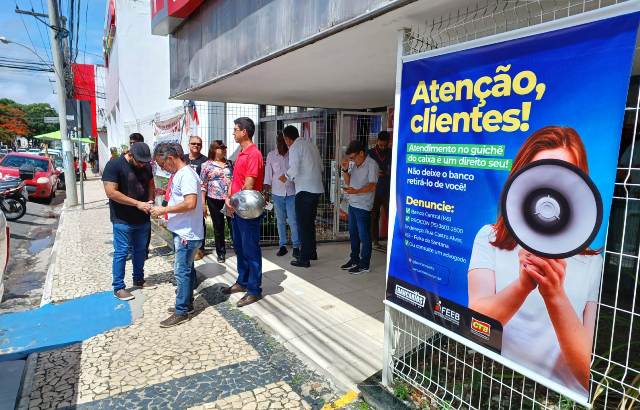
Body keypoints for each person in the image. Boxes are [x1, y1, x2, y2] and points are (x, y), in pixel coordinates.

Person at [468, 126, 602, 395]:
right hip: (496, 383)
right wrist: (522, 286)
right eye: (541, 173)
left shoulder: (593, 262)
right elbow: (476, 324)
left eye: (564, 175)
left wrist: (555, 296)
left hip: (560, 396)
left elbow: (588, 371)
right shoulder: (489, 238)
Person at [150, 143, 204, 328]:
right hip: (183, 231)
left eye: (162, 164)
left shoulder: (186, 175)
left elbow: (190, 203)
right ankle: (186, 305)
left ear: (170, 159)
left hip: (186, 234)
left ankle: (181, 310)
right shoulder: (180, 174)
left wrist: (164, 209)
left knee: (181, 272)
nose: (162, 168)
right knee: (186, 270)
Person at [102, 142, 156, 301]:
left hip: (142, 218)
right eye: (139, 162)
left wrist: (151, 199)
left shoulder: (145, 165)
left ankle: (139, 279)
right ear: (130, 154)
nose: (142, 165)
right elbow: (111, 192)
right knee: (122, 252)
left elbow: (151, 184)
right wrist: (137, 203)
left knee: (140, 251)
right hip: (122, 218)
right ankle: (118, 287)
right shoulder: (114, 165)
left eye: (144, 162)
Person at [222, 117, 265, 307]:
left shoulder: (254, 154)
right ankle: (242, 281)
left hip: (246, 211)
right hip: (237, 209)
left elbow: (248, 184)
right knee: (240, 248)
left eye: (235, 129)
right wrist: (228, 198)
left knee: (250, 249)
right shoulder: (241, 153)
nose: (233, 132)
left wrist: (233, 201)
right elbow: (235, 180)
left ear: (244, 132)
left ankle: (254, 290)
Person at [283, 125, 324, 268]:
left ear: (287, 138)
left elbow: (293, 168)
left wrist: (285, 177)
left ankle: (304, 258)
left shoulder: (294, 147)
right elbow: (321, 166)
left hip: (304, 190)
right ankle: (312, 252)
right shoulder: (311, 145)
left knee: (303, 225)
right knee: (309, 223)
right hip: (316, 188)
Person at [340, 140, 379, 274]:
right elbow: (348, 181)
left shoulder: (372, 164)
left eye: (353, 157)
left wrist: (356, 191)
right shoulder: (355, 164)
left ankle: (364, 264)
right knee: (353, 234)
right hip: (353, 203)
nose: (351, 160)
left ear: (361, 153)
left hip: (363, 206)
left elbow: (372, 185)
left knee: (364, 236)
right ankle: (354, 259)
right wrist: (345, 170)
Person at [264, 131, 300, 257]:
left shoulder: (293, 154)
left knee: (293, 220)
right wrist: (266, 192)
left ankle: (296, 246)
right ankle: (283, 245)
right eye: (278, 141)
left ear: (286, 141)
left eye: (283, 141)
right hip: (277, 194)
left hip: (292, 193)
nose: (280, 144)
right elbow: (268, 175)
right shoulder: (271, 155)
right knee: (280, 221)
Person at [200, 140, 233, 263]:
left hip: (230, 199)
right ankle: (221, 252)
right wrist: (203, 203)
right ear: (214, 150)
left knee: (233, 225)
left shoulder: (229, 164)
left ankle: (238, 249)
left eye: (225, 147)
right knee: (218, 226)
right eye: (221, 148)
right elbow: (203, 185)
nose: (224, 150)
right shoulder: (206, 165)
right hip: (214, 199)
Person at [184, 136, 208, 260]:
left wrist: (203, 202)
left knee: (199, 222)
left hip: (199, 197)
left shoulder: (205, 161)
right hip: (184, 196)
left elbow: (205, 182)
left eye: (199, 144)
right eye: (193, 143)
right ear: (189, 144)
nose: (196, 145)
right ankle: (186, 246)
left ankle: (200, 249)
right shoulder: (182, 158)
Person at [368, 131, 391, 247]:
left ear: (388, 143)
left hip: (388, 190)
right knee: (374, 216)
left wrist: (388, 172)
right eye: (380, 145)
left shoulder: (391, 153)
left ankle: (391, 241)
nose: (382, 147)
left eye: (384, 145)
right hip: (374, 189)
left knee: (389, 215)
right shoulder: (370, 153)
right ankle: (374, 240)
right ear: (377, 141)